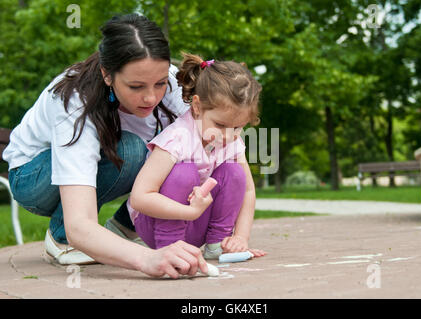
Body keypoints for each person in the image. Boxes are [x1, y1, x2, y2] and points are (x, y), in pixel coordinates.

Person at [2, 14, 209, 279]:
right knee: (133, 150)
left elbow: (213, 148)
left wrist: (229, 232)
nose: (151, 97)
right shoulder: (74, 102)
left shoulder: (168, 81)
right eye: (136, 86)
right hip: (32, 178)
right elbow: (80, 225)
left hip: (104, 161)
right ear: (107, 75)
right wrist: (147, 259)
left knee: (176, 156)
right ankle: (60, 240)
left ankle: (120, 231)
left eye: (159, 84)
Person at [128, 53, 266, 259]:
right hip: (155, 225)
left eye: (238, 127)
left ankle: (217, 244)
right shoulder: (177, 139)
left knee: (235, 172)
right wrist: (189, 212)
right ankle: (169, 247)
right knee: (185, 172)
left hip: (196, 222)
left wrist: (241, 237)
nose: (229, 135)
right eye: (220, 125)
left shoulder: (231, 141)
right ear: (197, 106)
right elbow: (140, 198)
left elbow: (247, 190)